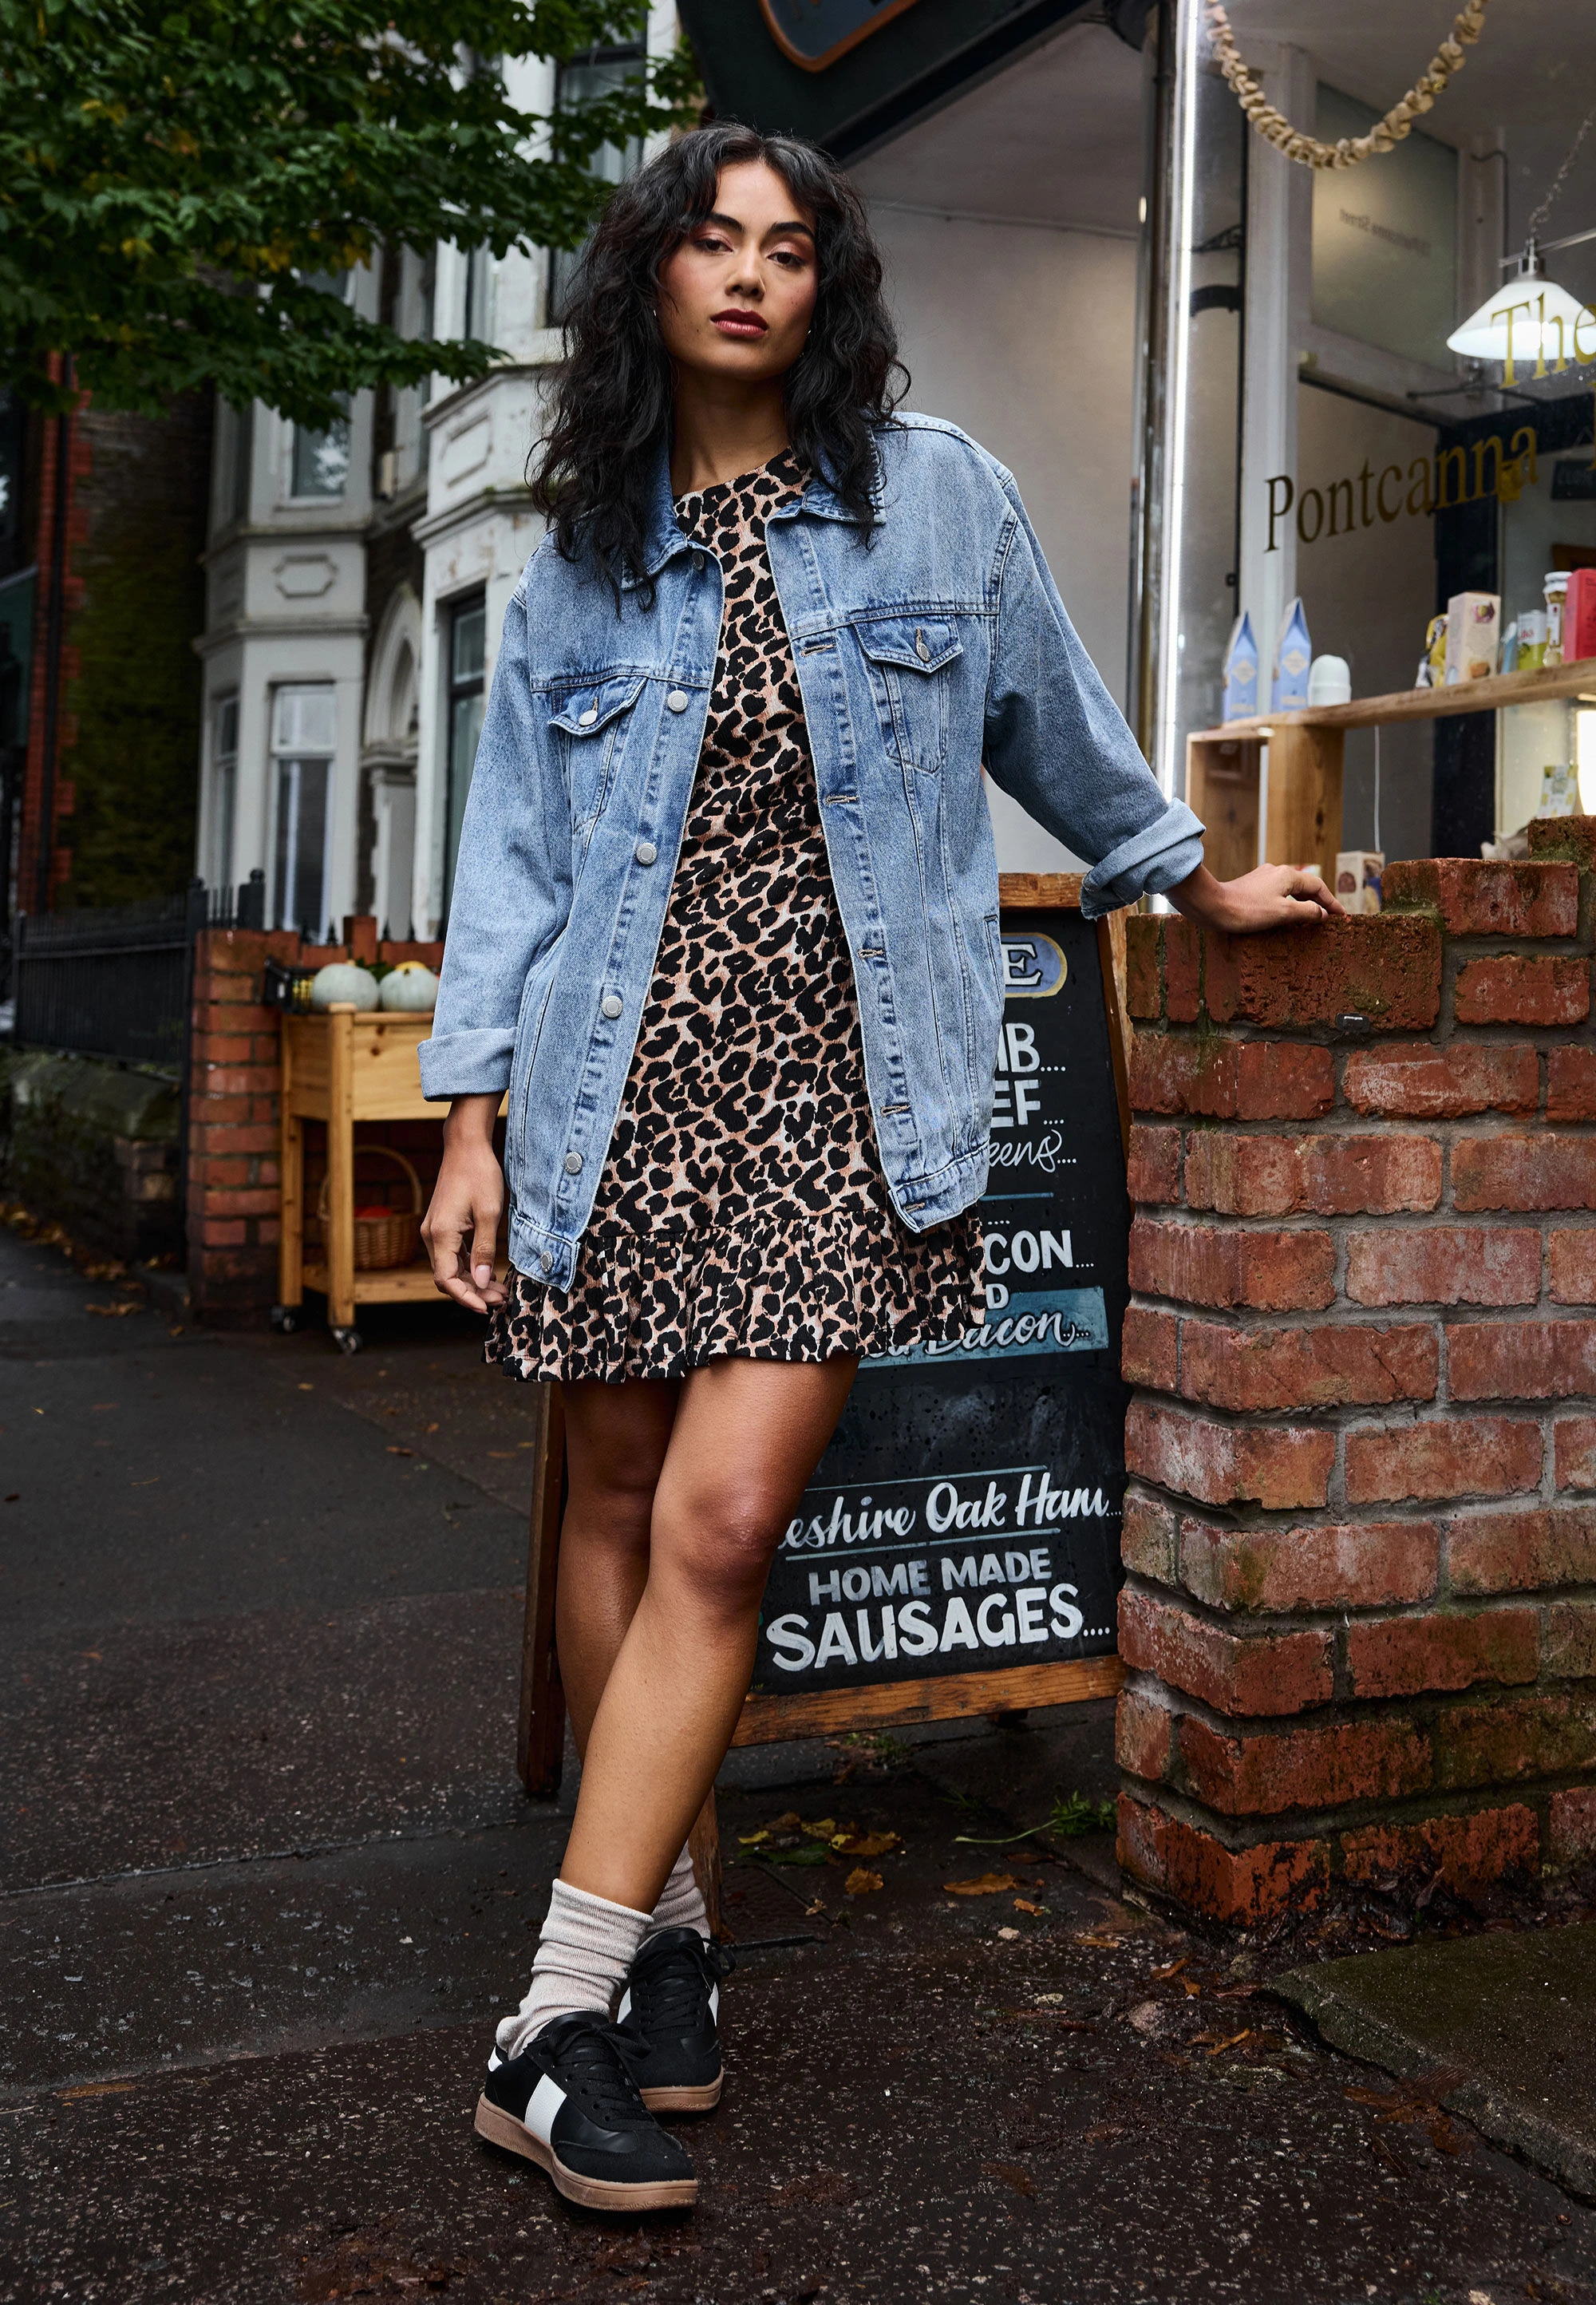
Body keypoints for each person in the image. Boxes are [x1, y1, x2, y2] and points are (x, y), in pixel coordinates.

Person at [419, 121, 1342, 2214]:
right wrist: (468, 1114)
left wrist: (1186, 885)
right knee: (623, 1497)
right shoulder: (579, 545)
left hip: (849, 1097)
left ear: (828, 286)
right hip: (612, 1082)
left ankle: (543, 2027)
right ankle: (661, 1942)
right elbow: (514, 852)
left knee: (728, 1529)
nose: (750, 275)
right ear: (651, 279)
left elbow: (1060, 727)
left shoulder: (941, 502)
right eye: (711, 242)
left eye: (789, 247)